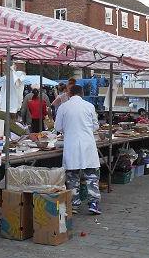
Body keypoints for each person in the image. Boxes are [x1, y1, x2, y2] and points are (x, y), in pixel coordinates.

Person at [55, 85, 101, 215]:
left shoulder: (63, 107)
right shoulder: (89, 106)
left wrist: (69, 129)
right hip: (88, 145)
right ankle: (93, 203)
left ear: (70, 94)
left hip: (71, 145)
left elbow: (58, 127)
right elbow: (95, 126)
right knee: (91, 176)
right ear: (82, 93)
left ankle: (74, 204)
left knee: (72, 176)